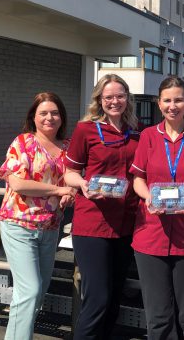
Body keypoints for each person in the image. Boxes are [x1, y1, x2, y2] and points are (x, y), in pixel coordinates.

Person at [129, 76, 184, 340]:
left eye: (178, 99)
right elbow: (138, 180)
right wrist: (148, 198)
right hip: (151, 235)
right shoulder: (147, 136)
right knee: (158, 316)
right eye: (167, 100)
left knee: (181, 314)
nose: (173, 105)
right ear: (159, 103)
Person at [63, 74, 141, 340]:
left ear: (127, 98)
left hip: (126, 224)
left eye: (119, 96)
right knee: (97, 297)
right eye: (108, 97)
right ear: (99, 99)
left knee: (114, 297)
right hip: (93, 224)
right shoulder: (86, 130)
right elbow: (69, 172)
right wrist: (83, 185)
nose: (114, 101)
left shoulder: (137, 131)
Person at [0, 92, 76, 340]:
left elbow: (72, 182)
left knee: (36, 293)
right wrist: (58, 189)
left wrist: (70, 192)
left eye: (55, 113)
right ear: (34, 117)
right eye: (43, 113)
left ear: (62, 117)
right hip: (19, 225)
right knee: (30, 291)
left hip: (50, 228)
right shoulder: (23, 143)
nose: (49, 118)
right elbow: (19, 184)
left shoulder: (68, 147)